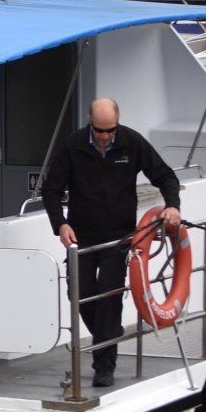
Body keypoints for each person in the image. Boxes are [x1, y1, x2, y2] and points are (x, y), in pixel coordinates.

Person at [39, 99, 181, 388]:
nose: (105, 136)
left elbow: (165, 176)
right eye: (99, 130)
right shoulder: (73, 145)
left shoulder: (132, 142)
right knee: (79, 294)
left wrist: (172, 206)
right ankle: (109, 334)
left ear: (118, 123)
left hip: (119, 237)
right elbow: (51, 190)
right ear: (89, 121)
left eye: (110, 130)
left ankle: (105, 366)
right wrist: (60, 224)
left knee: (109, 296)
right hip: (82, 236)